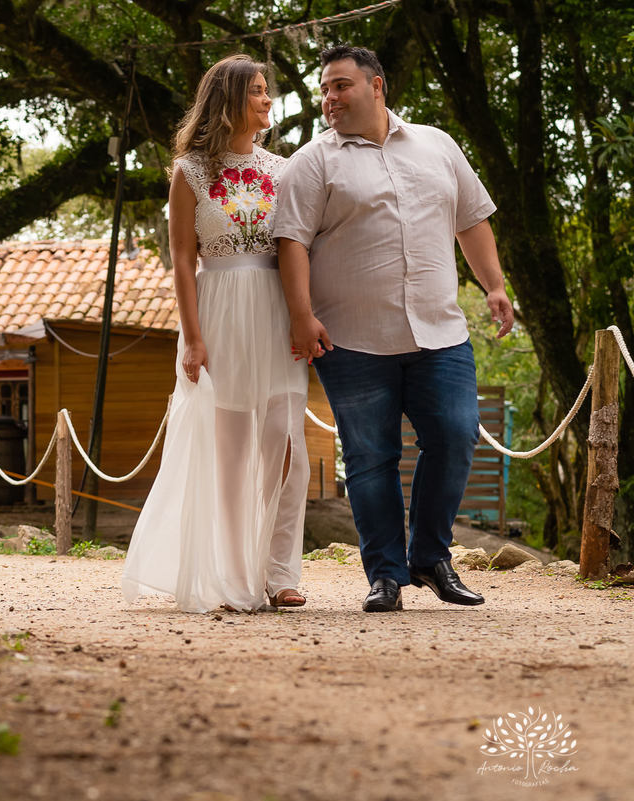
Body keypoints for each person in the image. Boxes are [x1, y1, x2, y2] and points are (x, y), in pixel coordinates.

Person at [273, 46, 515, 613]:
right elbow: (292, 242)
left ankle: (430, 557)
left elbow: (472, 221)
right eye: (324, 89)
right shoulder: (312, 162)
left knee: (456, 437)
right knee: (370, 458)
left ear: (377, 86)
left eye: (340, 86)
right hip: (351, 339)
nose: (329, 98)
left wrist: (495, 285)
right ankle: (385, 575)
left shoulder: (437, 145)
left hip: (441, 333)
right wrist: (301, 316)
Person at [122, 55, 310, 613]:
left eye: (266, 91)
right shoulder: (190, 173)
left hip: (275, 313)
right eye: (256, 91)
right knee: (230, 455)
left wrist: (304, 314)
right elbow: (182, 260)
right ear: (228, 100)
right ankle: (233, 577)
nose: (267, 101)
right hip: (219, 311)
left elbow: (297, 249)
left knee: (287, 449)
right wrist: (193, 337)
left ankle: (280, 573)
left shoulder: (284, 170)